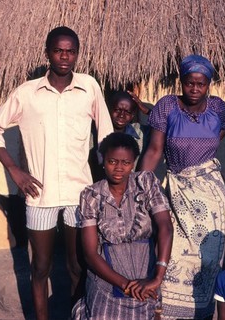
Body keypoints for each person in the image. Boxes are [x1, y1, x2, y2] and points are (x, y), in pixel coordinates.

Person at [0, 26, 113, 320]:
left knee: (78, 265)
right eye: (58, 50)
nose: (64, 57)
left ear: (77, 54)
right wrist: (15, 171)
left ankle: (78, 315)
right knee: (40, 267)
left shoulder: (89, 86)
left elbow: (105, 135)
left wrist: (106, 180)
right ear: (47, 54)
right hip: (40, 195)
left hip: (80, 195)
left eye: (70, 51)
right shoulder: (27, 93)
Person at [140, 54, 225, 319]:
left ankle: (201, 313)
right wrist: (140, 184)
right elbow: (155, 150)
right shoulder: (167, 106)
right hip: (178, 190)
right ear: (181, 81)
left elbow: (218, 136)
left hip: (211, 197)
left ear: (209, 84)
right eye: (189, 83)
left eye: (200, 84)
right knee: (173, 258)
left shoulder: (218, 108)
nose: (194, 89)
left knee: (207, 261)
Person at [73, 132, 173, 319]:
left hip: (147, 277)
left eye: (126, 163)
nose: (119, 168)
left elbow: (165, 227)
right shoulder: (91, 195)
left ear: (134, 162)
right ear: (103, 161)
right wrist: (126, 285)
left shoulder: (146, 183)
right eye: (112, 161)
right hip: (107, 281)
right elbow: (91, 253)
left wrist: (157, 277)